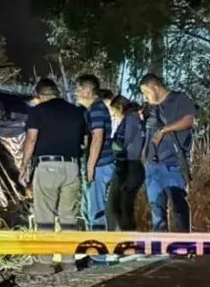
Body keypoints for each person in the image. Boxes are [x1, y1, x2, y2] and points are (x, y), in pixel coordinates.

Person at [19, 78, 86, 246]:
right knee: (68, 217)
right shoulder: (76, 111)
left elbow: (31, 139)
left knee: (45, 216)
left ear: (40, 95)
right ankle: (69, 258)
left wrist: (24, 166)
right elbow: (85, 140)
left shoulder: (38, 111)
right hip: (72, 167)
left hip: (48, 167)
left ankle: (45, 258)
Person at [139, 73, 195, 231]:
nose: (145, 97)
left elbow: (189, 120)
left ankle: (183, 242)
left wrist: (165, 130)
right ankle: (160, 243)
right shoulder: (148, 107)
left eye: (147, 92)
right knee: (156, 209)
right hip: (152, 164)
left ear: (155, 87)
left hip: (173, 163)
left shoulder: (179, 99)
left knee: (178, 205)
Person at [75, 74, 114, 230]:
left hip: (100, 164)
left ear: (88, 90)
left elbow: (98, 137)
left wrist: (91, 167)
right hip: (99, 163)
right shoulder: (93, 108)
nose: (76, 92)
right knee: (90, 208)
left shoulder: (96, 108)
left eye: (79, 89)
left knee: (96, 209)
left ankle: (98, 243)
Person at [106, 94, 145, 230]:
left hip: (130, 164)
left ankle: (126, 232)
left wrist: (109, 144)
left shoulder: (130, 118)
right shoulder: (134, 117)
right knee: (123, 202)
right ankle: (125, 231)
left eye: (114, 111)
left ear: (119, 107)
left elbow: (123, 141)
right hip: (131, 164)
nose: (114, 115)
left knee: (123, 202)